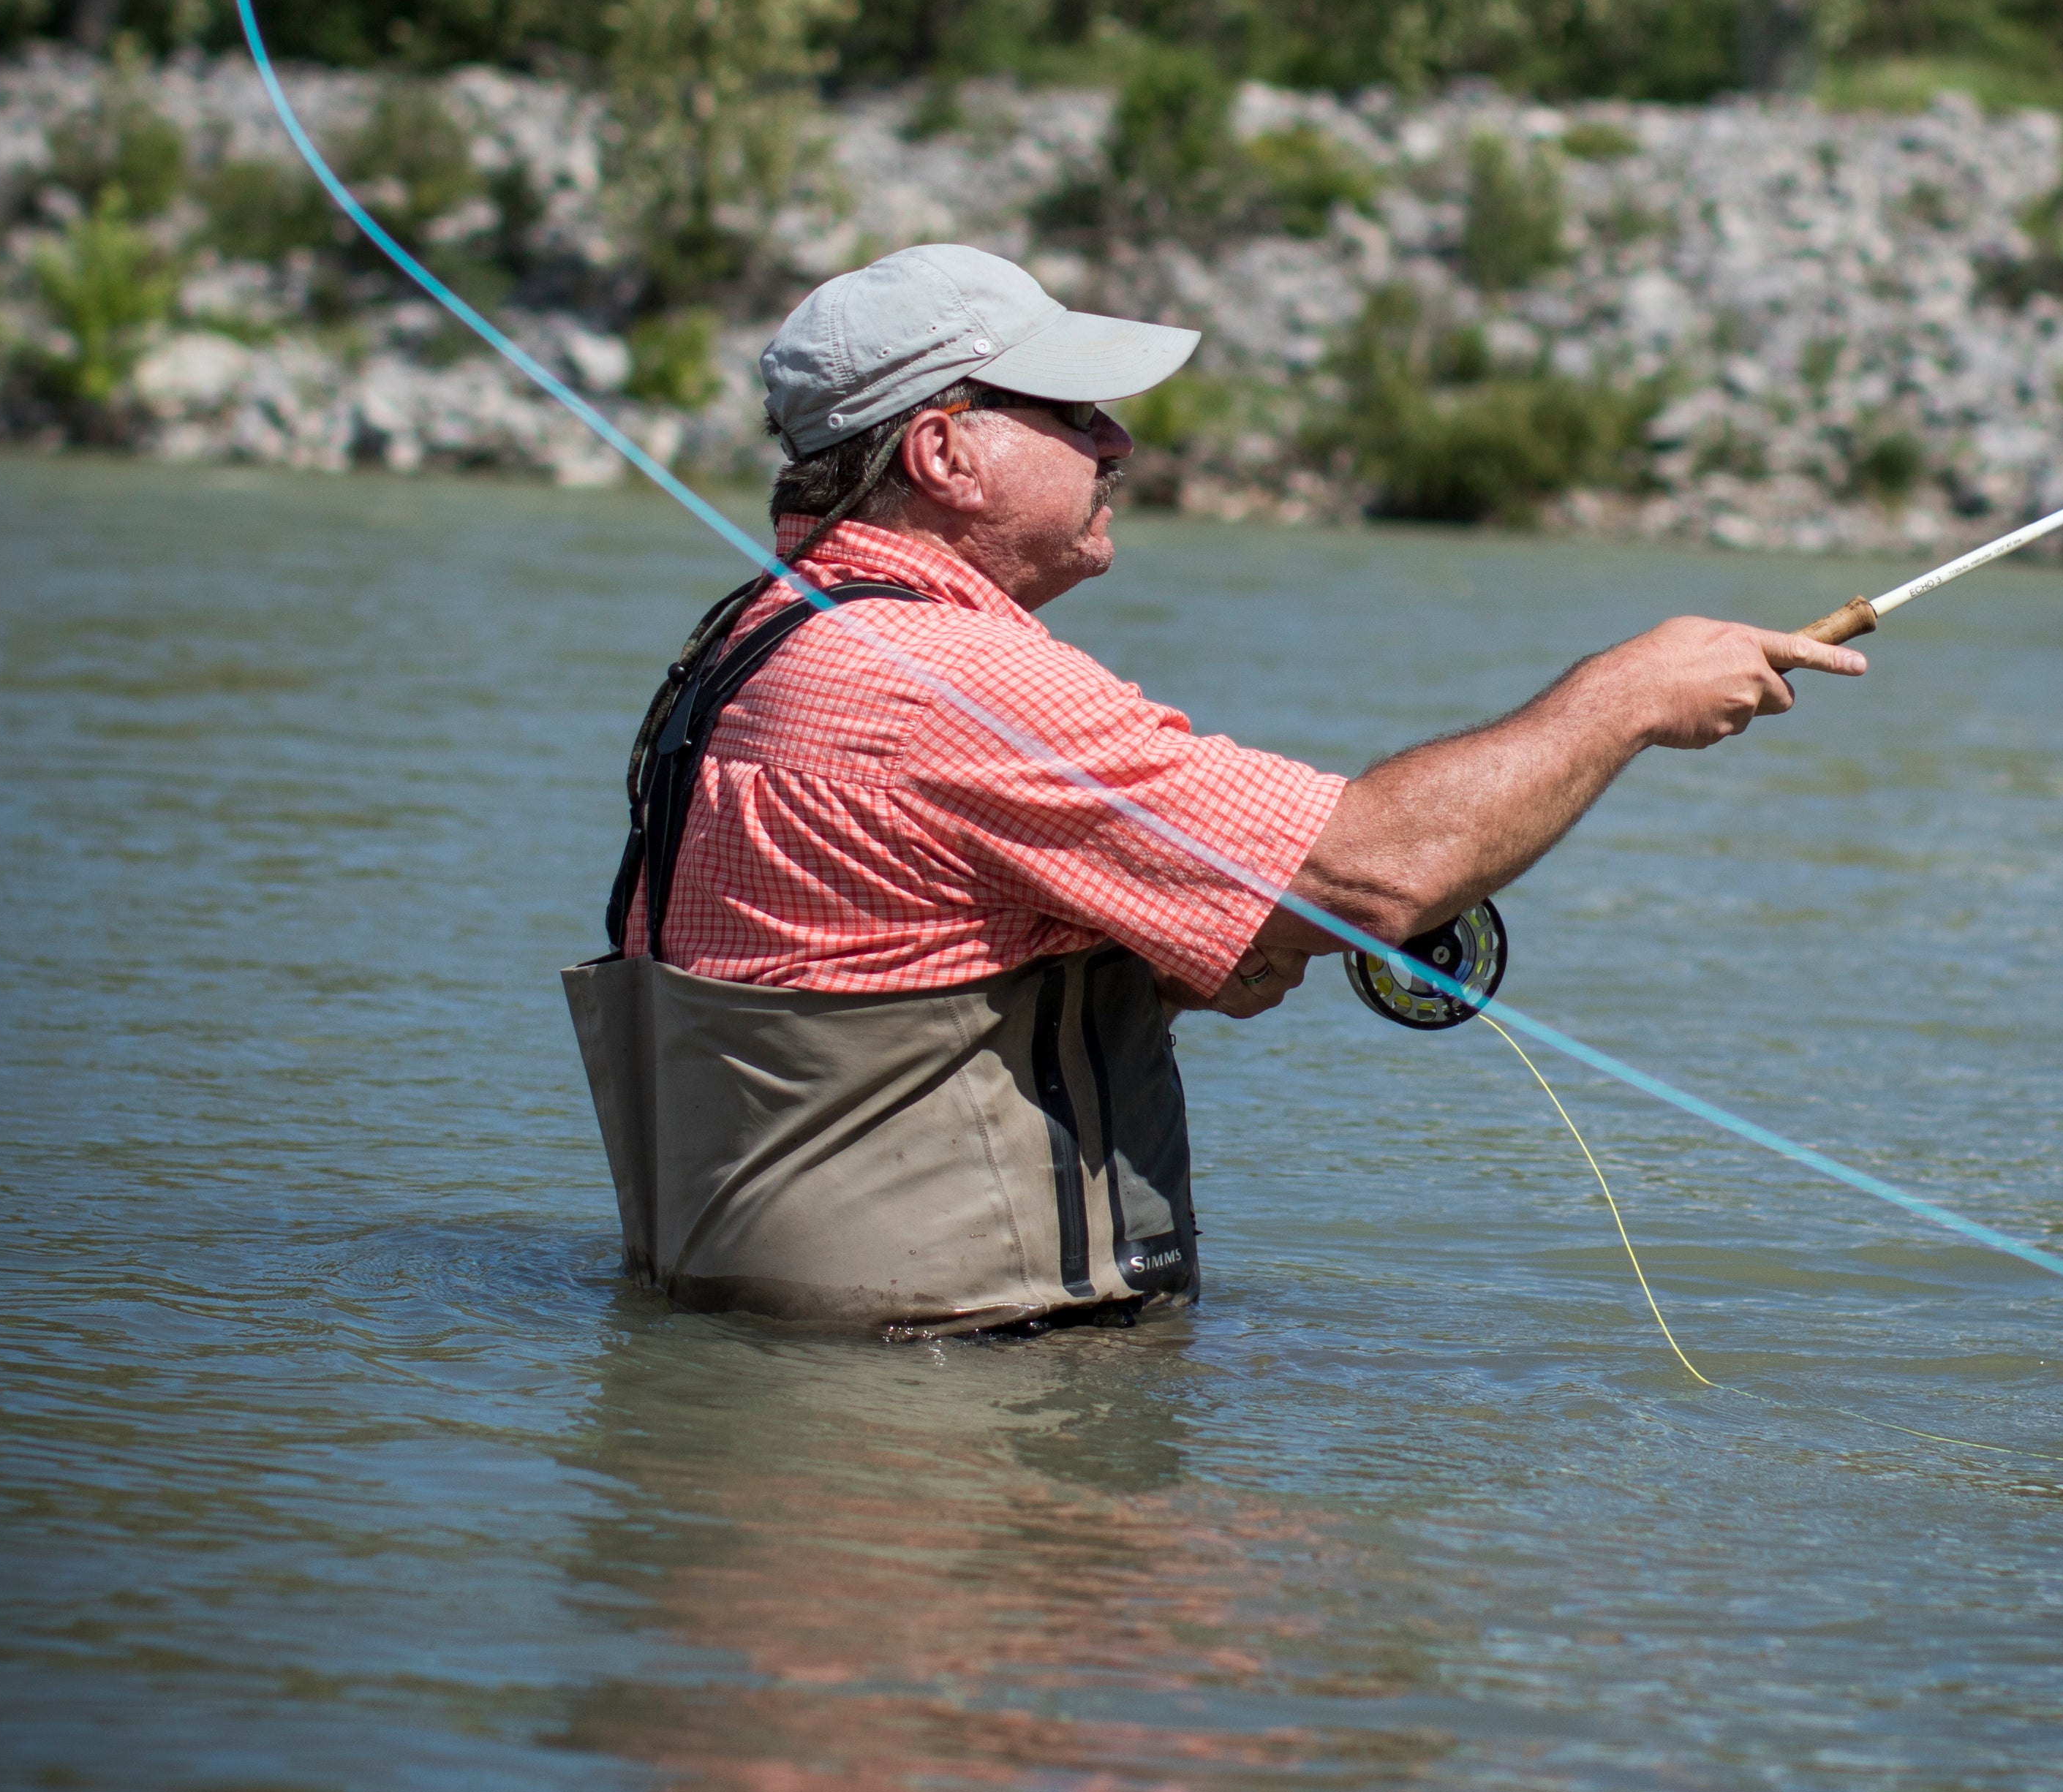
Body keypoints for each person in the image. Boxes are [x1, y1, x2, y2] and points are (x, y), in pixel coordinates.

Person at [564, 243, 1864, 1337]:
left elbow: (865, 967)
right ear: (944, 451)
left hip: (770, 1361)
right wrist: (1627, 693)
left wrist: (1141, 969)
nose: (1115, 441)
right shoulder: (948, 682)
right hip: (966, 1400)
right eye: (1072, 413)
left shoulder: (745, 648)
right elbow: (1373, 878)